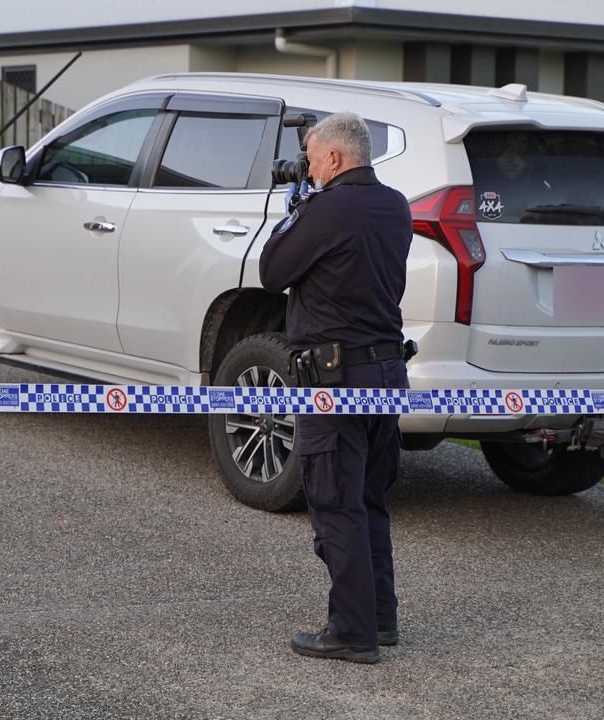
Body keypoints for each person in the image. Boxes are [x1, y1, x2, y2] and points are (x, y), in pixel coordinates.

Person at [259, 112, 412, 664]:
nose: (308, 166)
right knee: (370, 500)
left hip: (335, 378)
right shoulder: (395, 205)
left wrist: (296, 212)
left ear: (334, 158)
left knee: (335, 503)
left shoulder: (326, 209)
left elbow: (271, 271)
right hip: (387, 374)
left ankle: (350, 632)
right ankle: (379, 618)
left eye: (311, 155)